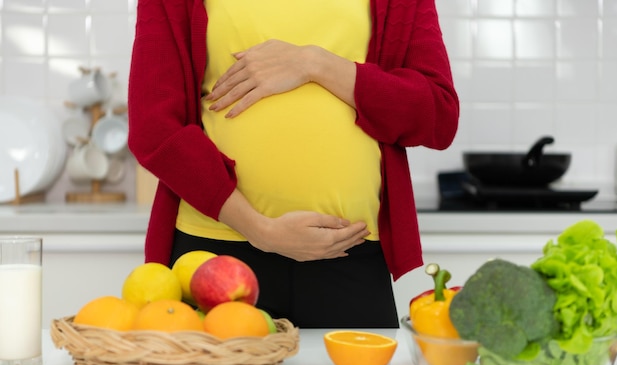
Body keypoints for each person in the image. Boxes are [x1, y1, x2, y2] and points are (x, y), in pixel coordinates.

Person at [128, 0, 459, 328]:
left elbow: (438, 114)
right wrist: (261, 230)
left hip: (349, 252)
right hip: (216, 252)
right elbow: (154, 127)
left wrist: (313, 63)